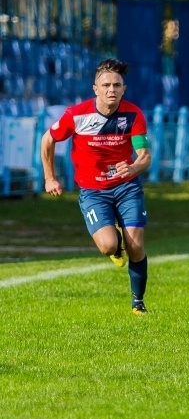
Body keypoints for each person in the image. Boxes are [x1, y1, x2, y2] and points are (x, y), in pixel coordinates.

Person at [41, 58, 153, 315]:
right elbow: (47, 140)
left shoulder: (133, 114)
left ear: (124, 88)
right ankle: (115, 245)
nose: (111, 89)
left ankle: (138, 302)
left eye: (117, 85)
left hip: (127, 187)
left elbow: (145, 155)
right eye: (106, 85)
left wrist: (133, 168)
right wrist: (50, 178)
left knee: (136, 245)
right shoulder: (77, 115)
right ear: (95, 88)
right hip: (93, 191)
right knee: (108, 246)